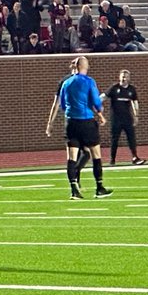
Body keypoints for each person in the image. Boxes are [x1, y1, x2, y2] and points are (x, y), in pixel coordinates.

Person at [47, 56, 111, 200]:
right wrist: (100, 114)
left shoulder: (66, 83)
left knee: (72, 157)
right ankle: (99, 187)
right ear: (85, 66)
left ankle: (74, 189)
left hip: (71, 122)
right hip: (86, 121)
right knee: (96, 155)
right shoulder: (89, 81)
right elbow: (95, 101)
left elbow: (62, 104)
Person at [104, 70, 145, 166]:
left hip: (127, 119)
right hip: (116, 119)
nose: (124, 78)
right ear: (119, 77)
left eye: (126, 77)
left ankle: (135, 157)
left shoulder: (131, 90)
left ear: (129, 78)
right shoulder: (114, 88)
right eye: (122, 76)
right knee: (115, 139)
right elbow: (103, 96)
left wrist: (136, 116)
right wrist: (96, 103)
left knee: (131, 138)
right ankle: (112, 159)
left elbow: (135, 103)